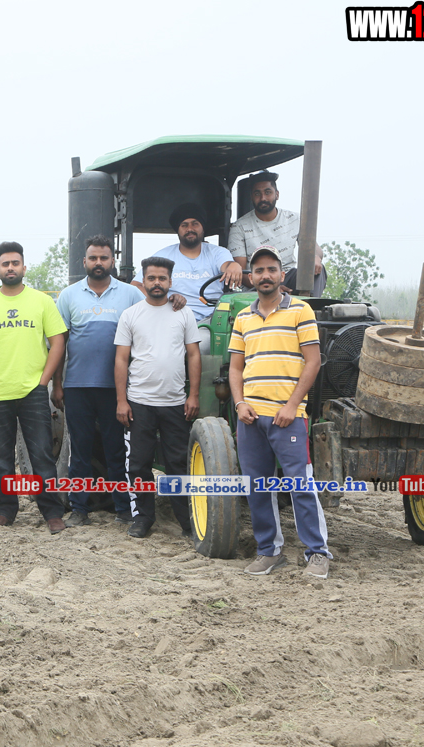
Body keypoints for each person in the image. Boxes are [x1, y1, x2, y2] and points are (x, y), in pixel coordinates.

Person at [230, 245, 331, 578]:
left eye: (271, 269)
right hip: (250, 417)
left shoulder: (301, 310)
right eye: (259, 270)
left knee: (300, 484)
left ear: (281, 274)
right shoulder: (243, 317)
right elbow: (235, 368)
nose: (265, 275)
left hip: (288, 416)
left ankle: (317, 553)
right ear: (251, 277)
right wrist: (240, 403)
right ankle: (269, 551)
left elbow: (313, 362)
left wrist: (292, 405)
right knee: (257, 486)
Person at [0, 241, 68, 533]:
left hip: (33, 392)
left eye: (15, 263)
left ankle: (52, 512)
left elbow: (58, 342)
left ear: (24, 267)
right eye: (5, 264)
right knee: (0, 457)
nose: (10, 268)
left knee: (42, 454)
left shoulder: (41, 301)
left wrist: (44, 381)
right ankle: (5, 510)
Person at [52, 234, 142, 527]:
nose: (98, 262)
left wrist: (174, 300)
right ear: (84, 261)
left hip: (115, 389)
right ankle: (79, 509)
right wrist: (57, 384)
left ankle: (122, 509)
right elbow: (59, 344)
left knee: (116, 450)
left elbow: (152, 314)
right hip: (77, 387)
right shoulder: (68, 296)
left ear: (113, 261)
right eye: (93, 258)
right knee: (80, 450)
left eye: (104, 258)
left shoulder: (130, 294)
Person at [114, 257, 202, 539]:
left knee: (178, 464)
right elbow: (121, 359)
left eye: (162, 278)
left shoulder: (183, 313)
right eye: (151, 278)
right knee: (138, 464)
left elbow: (193, 354)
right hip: (139, 402)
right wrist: (122, 401)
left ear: (170, 281)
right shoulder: (131, 315)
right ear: (143, 280)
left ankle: (186, 521)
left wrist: (193, 395)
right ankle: (143, 518)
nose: (156, 283)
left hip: (175, 402)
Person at [151, 203, 242, 351]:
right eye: (184, 225)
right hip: (172, 318)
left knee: (202, 344)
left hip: (210, 321)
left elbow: (227, 265)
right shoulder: (163, 256)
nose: (190, 229)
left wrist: (234, 266)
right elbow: (138, 285)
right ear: (178, 230)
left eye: (195, 224)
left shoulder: (217, 253)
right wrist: (163, 301)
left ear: (202, 227)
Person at [228, 171, 326, 297]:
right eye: (257, 194)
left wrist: (315, 257)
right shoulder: (239, 227)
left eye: (268, 192)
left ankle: (309, 306)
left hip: (288, 276)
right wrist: (273, 287)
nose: (263, 198)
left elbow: (314, 248)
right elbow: (241, 273)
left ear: (277, 194)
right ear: (251, 197)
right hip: (259, 281)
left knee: (317, 269)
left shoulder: (295, 219)